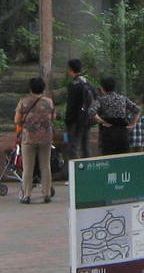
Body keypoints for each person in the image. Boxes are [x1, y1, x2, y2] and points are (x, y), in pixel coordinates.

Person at [12, 76, 56, 205]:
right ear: (43, 88)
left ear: (30, 88)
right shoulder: (49, 102)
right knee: (45, 166)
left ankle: (26, 195)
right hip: (46, 138)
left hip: (28, 138)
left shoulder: (24, 102)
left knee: (28, 167)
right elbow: (53, 118)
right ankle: (47, 193)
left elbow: (17, 120)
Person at [93, 75, 140, 156]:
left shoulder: (101, 100)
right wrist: (133, 124)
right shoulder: (122, 98)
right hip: (122, 133)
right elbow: (137, 110)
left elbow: (91, 112)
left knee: (108, 159)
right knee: (123, 159)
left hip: (108, 134)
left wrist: (102, 121)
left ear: (102, 88)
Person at [63, 58, 96, 158]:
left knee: (73, 146)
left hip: (75, 120)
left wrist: (67, 120)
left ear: (70, 69)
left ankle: (75, 171)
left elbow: (71, 104)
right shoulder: (86, 82)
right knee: (85, 145)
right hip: (86, 118)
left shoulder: (73, 85)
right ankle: (88, 168)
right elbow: (95, 95)